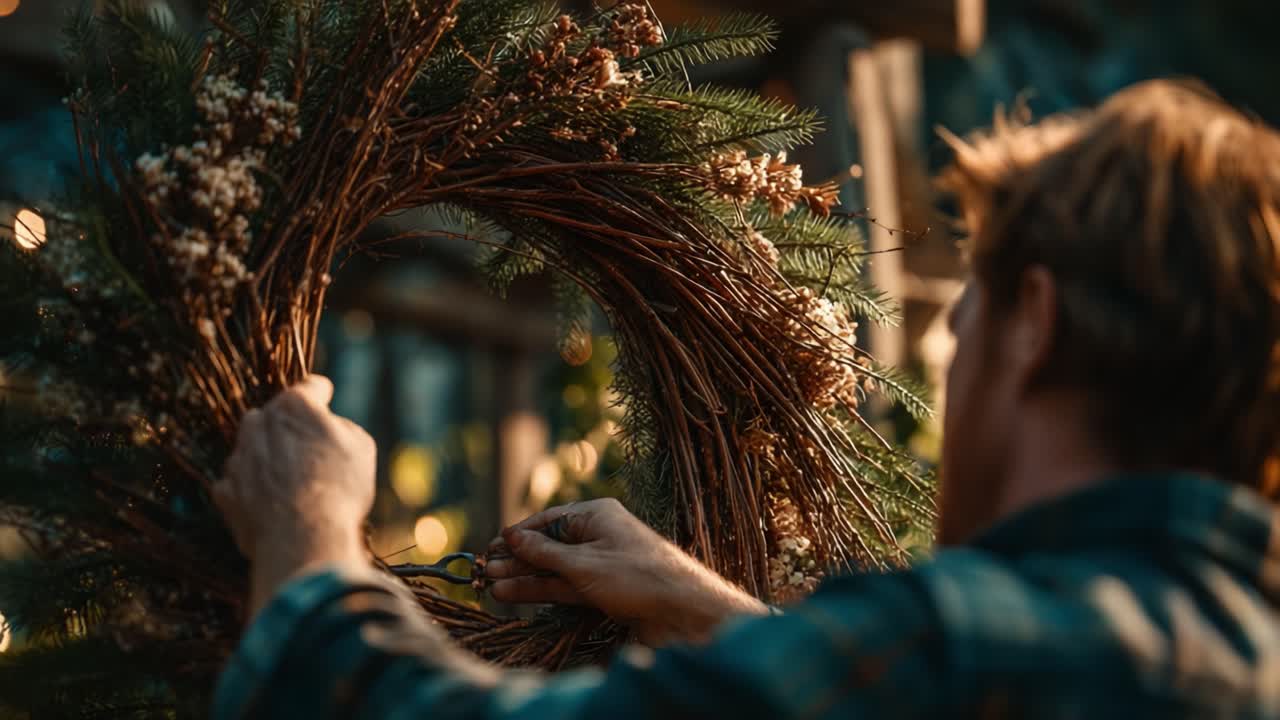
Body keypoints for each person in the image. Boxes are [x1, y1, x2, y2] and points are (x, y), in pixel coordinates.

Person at [211, 79, 1280, 718]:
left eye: (964, 325)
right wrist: (704, 610)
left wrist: (304, 530)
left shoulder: (959, 643)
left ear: (1034, 323)